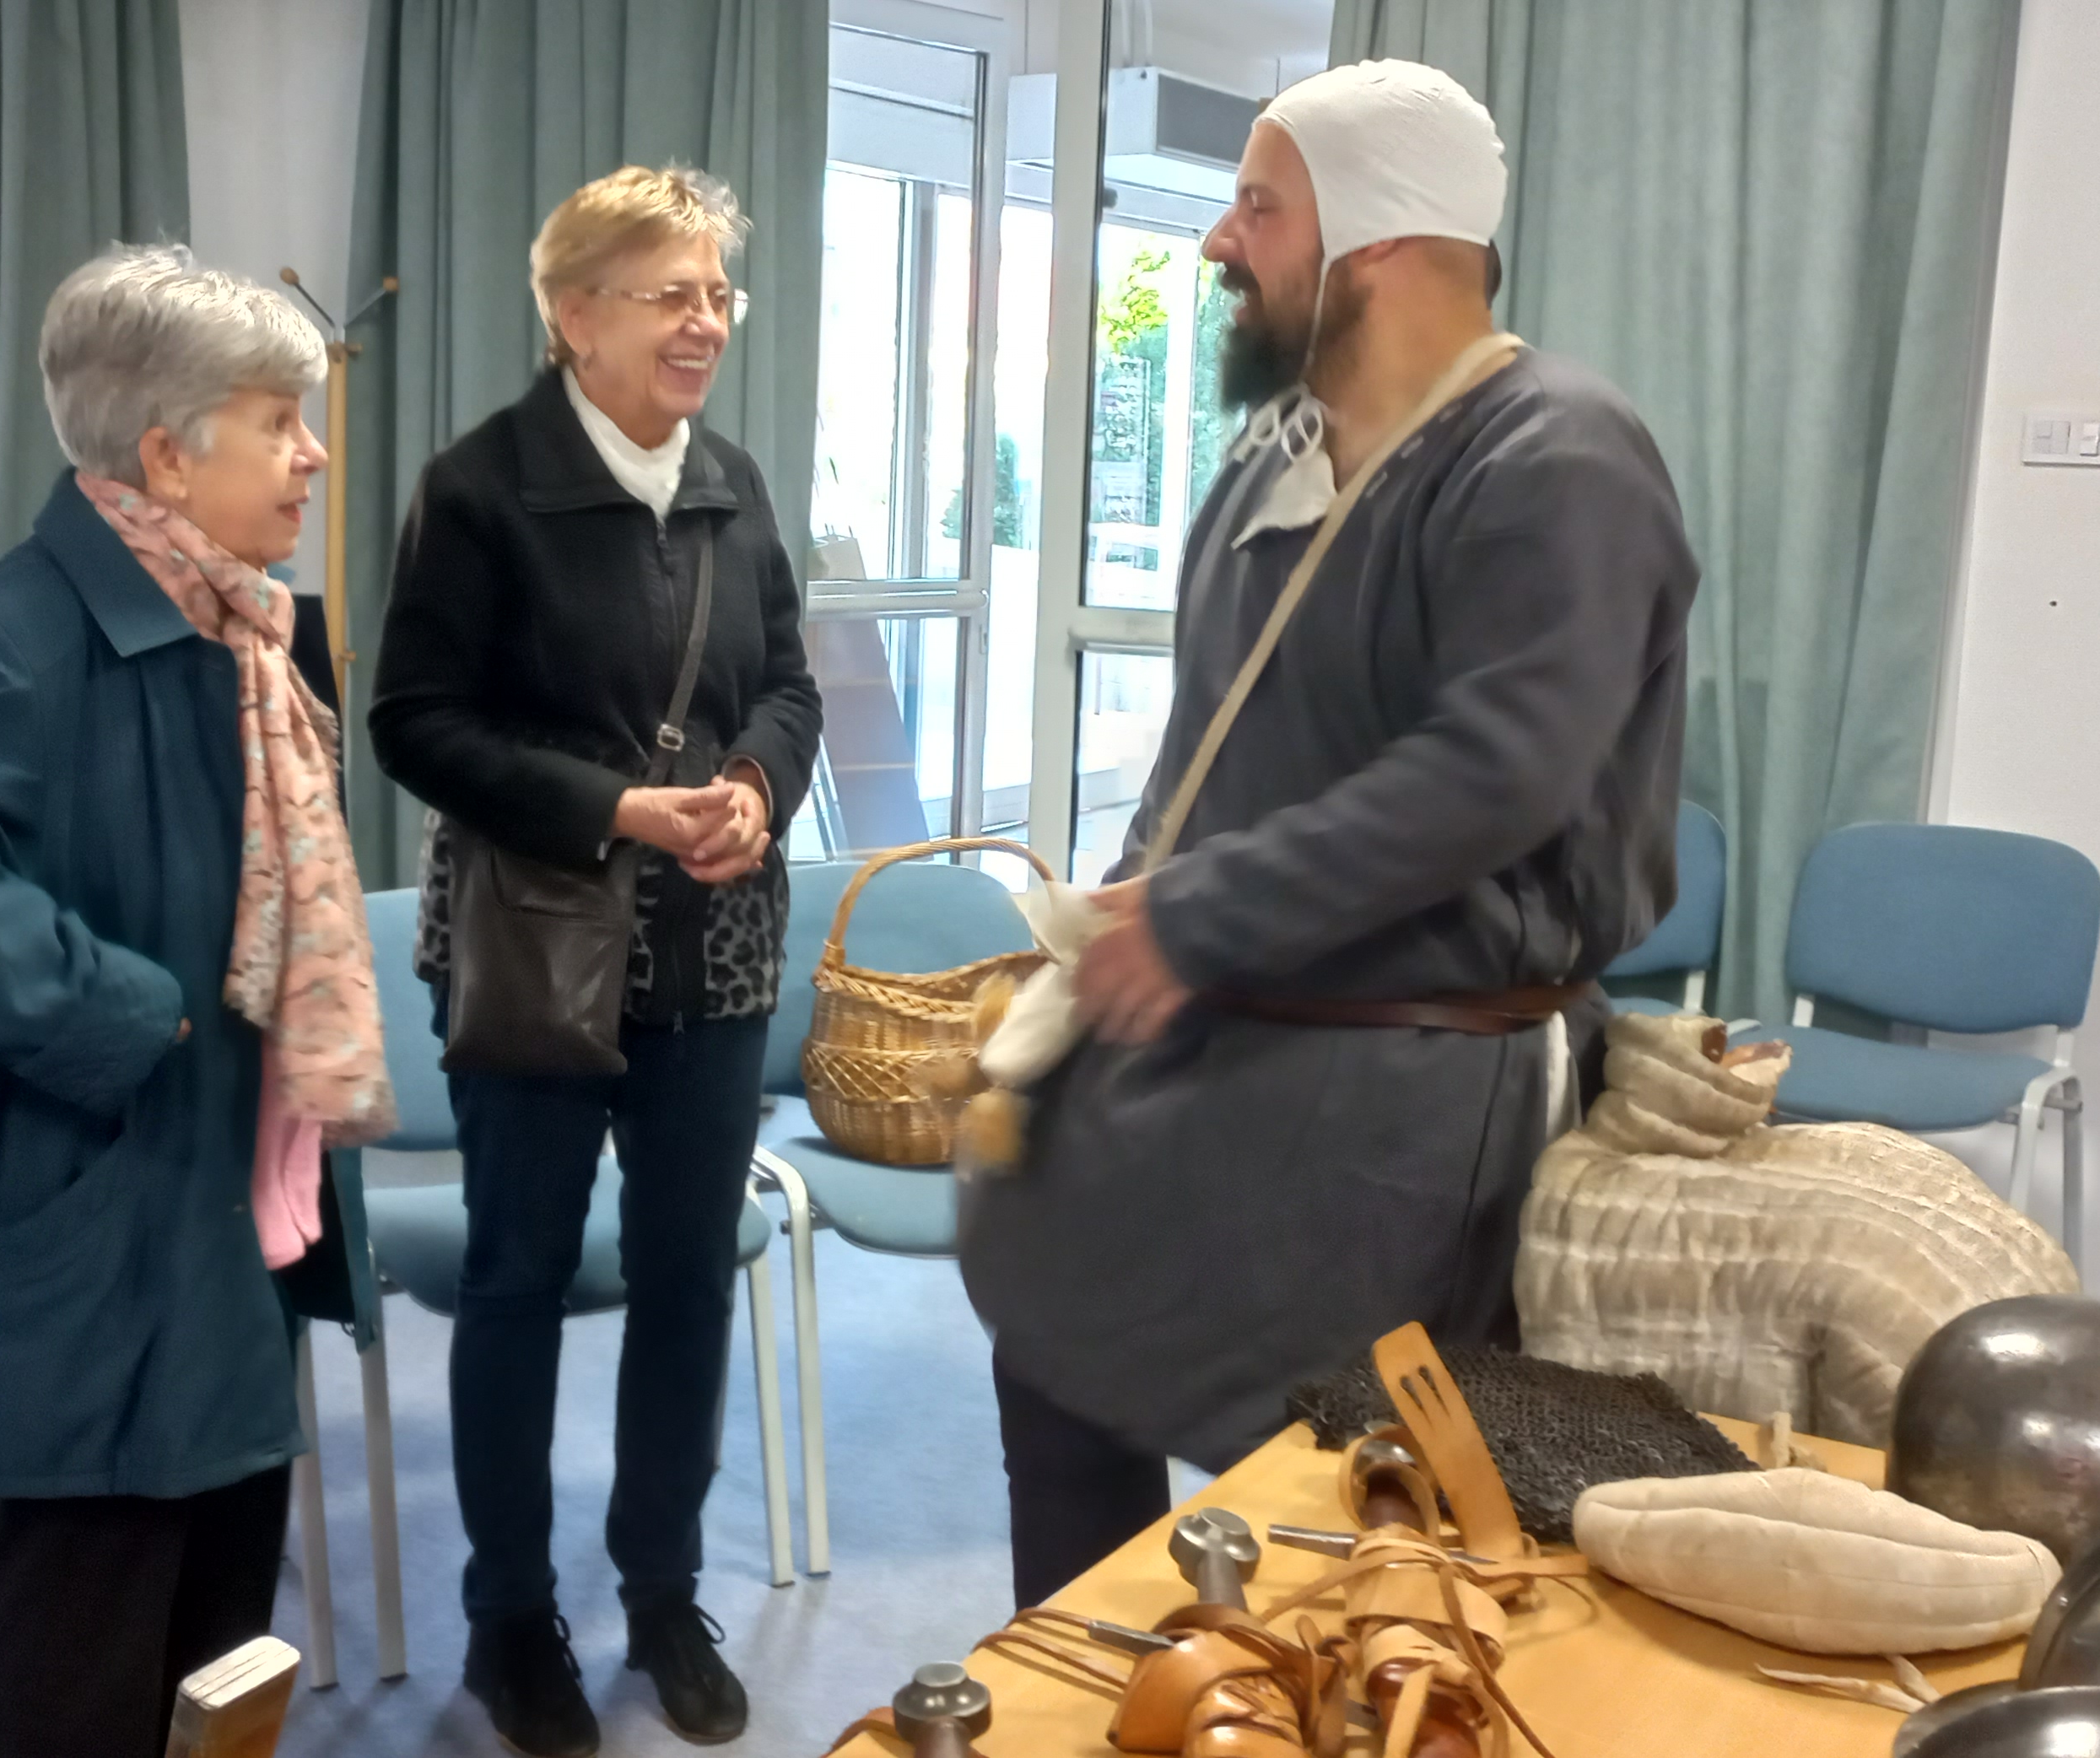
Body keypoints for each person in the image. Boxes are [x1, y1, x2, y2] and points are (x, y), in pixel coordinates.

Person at [958, 61, 1701, 1610]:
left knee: (1341, 1488)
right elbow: (1207, 742)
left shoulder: (1557, 455)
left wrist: (1198, 916)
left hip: (1408, 1094)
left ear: (1381, 240)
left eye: (1259, 207)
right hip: (1218, 1045)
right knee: (1059, 1337)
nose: (1219, 243)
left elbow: (1497, 771)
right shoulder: (1267, 459)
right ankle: (1100, 1684)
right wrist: (1125, 909)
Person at [0, 244, 394, 1758]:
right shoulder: (22, 632)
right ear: (167, 456)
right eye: (279, 421)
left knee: (221, 1620)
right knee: (99, 1618)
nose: (313, 453)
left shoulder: (234, 626)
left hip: (219, 1202)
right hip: (109, 1201)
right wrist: (119, 1008)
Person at [368, 164, 823, 1757]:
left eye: (717, 295)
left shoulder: (736, 483)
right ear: (573, 315)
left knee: (689, 1279)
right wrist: (616, 807)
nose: (705, 323)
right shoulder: (480, 487)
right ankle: (510, 1618)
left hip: (713, 948)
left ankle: (661, 1589)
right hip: (535, 947)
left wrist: (756, 786)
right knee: (520, 1277)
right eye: (669, 295)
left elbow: (789, 685)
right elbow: (414, 723)